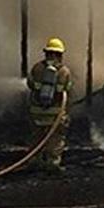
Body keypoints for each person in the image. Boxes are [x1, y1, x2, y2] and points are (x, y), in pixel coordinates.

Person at [26, 37, 73, 172]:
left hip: (37, 113)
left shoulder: (37, 68)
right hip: (56, 114)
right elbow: (67, 89)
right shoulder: (64, 71)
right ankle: (52, 163)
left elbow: (30, 84)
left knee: (36, 138)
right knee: (55, 140)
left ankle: (34, 161)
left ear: (46, 53)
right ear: (60, 54)